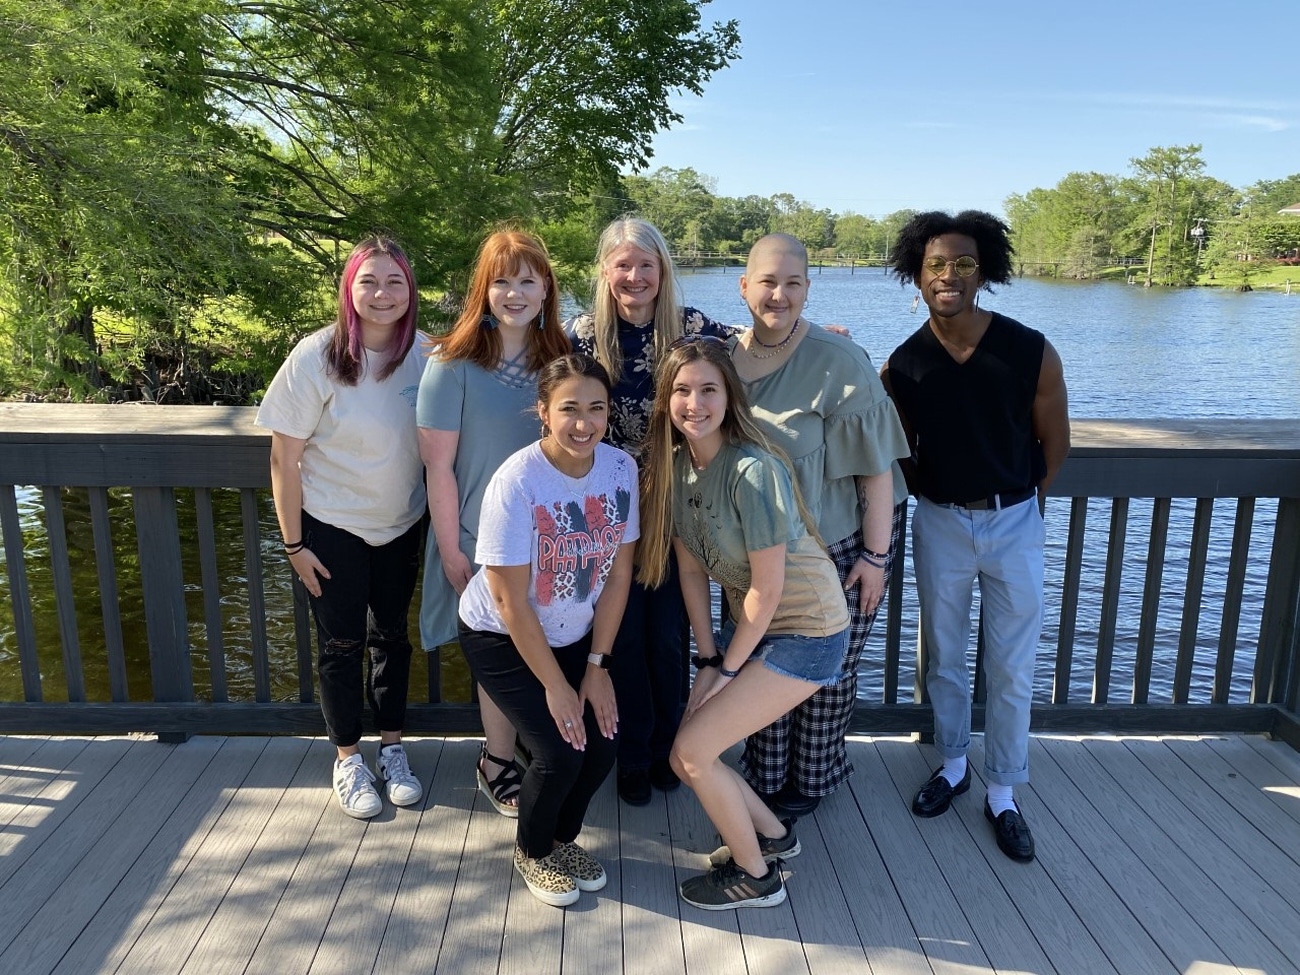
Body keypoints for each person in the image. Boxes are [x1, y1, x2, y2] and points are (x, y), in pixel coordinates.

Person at [881, 210, 1070, 863]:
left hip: (1016, 519)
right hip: (939, 521)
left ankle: (1003, 791)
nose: (949, 275)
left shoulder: (1029, 350)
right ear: (918, 273)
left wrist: (1020, 505)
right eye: (936, 264)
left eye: (963, 263)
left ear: (984, 269)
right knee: (944, 655)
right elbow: (895, 450)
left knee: (1012, 667)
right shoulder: (904, 366)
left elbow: (1056, 439)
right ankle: (954, 764)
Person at [639, 337, 849, 910]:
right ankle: (777, 839)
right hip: (753, 632)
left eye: (709, 389)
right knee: (691, 751)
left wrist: (727, 672)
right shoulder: (677, 470)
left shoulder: (752, 470)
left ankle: (757, 878)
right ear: (666, 401)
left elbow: (769, 587)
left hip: (808, 632)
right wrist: (708, 660)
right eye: (682, 390)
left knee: (691, 753)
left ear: (730, 397)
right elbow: (690, 573)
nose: (694, 402)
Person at [728, 233, 911, 817]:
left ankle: (811, 782)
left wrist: (875, 558)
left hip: (842, 543)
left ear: (808, 288)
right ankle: (766, 775)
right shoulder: (722, 360)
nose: (778, 294)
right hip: (761, 549)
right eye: (766, 281)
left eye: (792, 283)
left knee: (828, 673)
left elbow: (877, 472)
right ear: (744, 286)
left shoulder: (839, 360)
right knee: (765, 666)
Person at [457, 354, 638, 907]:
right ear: (543, 412)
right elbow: (510, 601)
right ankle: (533, 851)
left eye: (596, 409)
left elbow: (617, 574)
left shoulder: (620, 470)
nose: (583, 423)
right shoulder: (518, 482)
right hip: (500, 633)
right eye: (569, 409)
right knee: (560, 752)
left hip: (574, 633)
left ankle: (559, 839)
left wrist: (596, 667)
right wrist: (557, 688)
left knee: (603, 744)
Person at [258, 237, 428, 819]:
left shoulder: (428, 356)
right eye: (369, 281)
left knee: (393, 640)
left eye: (395, 282)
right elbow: (284, 458)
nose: (382, 294)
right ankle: (348, 758)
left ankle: (393, 749)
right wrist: (294, 544)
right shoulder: (317, 356)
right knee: (340, 645)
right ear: (349, 288)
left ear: (410, 291)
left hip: (402, 525)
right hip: (330, 528)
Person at [565, 217, 730, 806]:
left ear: (662, 272)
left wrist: (818, 337)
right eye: (623, 266)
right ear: (606, 273)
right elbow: (544, 381)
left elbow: (751, 343)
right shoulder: (584, 334)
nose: (634, 277)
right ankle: (630, 755)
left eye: (646, 266)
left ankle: (669, 748)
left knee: (668, 635)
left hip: (673, 505)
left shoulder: (688, 328)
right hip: (605, 508)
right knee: (622, 639)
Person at [417, 230, 571, 818]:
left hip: (555, 539)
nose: (515, 292)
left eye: (528, 280)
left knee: (550, 640)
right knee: (501, 650)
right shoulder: (450, 365)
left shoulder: (560, 359)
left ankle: (542, 752)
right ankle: (496, 760)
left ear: (545, 288)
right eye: (503, 280)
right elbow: (438, 467)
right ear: (484, 288)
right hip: (481, 541)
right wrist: (453, 547)